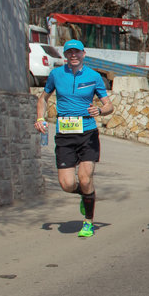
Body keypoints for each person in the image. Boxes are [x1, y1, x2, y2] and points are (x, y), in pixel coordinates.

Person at [36, 39, 114, 238]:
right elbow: (43, 99)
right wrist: (40, 118)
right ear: (65, 55)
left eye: (77, 52)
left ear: (83, 54)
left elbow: (108, 105)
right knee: (67, 184)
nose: (73, 55)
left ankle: (88, 222)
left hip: (87, 132)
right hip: (64, 135)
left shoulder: (94, 76)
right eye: (70, 52)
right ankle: (86, 194)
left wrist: (100, 110)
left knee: (85, 177)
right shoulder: (56, 74)